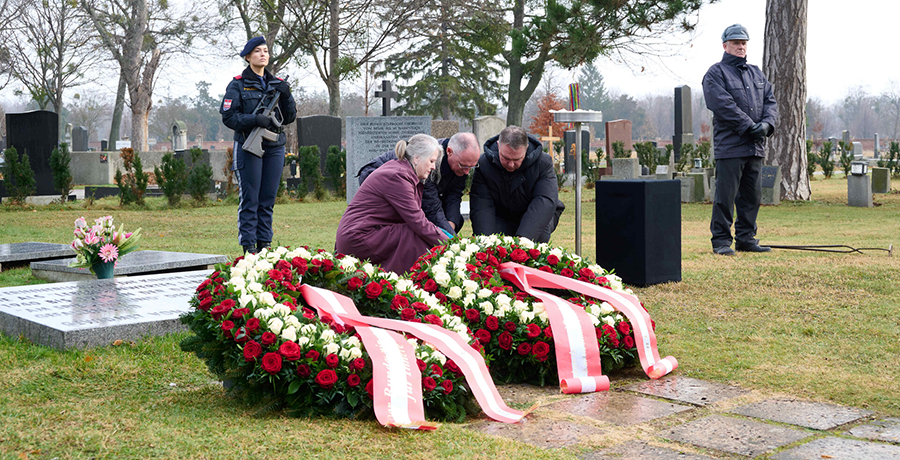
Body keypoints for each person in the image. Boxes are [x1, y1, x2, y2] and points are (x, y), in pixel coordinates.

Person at [702, 24, 777, 256]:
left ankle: (746, 239)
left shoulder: (757, 73)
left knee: (751, 197)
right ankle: (721, 242)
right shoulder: (716, 73)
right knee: (725, 196)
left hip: (755, 147)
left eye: (743, 43)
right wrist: (748, 126)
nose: (740, 46)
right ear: (725, 45)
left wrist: (767, 125)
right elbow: (722, 105)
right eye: (735, 43)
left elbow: (770, 102)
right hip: (731, 146)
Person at [220, 36, 297, 254]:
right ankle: (249, 248)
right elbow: (229, 117)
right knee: (251, 199)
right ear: (248, 57)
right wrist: (254, 120)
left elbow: (289, 117)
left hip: (274, 147)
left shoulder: (277, 84)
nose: (263, 54)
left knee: (268, 199)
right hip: (249, 146)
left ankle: (265, 246)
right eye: (257, 51)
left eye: (265, 51)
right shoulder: (237, 84)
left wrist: (287, 95)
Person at [336, 134, 450, 274]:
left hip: (365, 234)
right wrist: (451, 245)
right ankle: (418, 280)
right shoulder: (398, 177)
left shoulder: (402, 172)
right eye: (431, 161)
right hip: (358, 238)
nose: (433, 167)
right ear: (417, 158)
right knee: (411, 235)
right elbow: (418, 222)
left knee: (414, 233)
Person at [357, 132, 480, 234]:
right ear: (449, 151)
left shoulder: (462, 162)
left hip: (410, 189)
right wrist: (451, 241)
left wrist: (450, 225)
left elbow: (454, 195)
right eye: (463, 166)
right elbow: (431, 206)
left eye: (472, 167)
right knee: (409, 229)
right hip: (379, 182)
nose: (466, 172)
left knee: (454, 220)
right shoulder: (430, 162)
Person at [470, 125, 564, 243]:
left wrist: (524, 238)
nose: (510, 164)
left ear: (526, 148)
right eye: (506, 158)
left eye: (516, 159)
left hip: (534, 213)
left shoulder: (543, 163)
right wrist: (485, 240)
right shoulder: (484, 164)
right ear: (498, 146)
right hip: (501, 215)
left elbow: (544, 200)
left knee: (537, 239)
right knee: (492, 244)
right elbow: (481, 203)